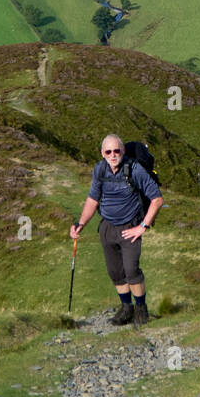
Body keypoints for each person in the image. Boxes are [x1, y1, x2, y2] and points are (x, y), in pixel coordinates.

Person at [70, 133, 163, 326]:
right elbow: (92, 200)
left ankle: (140, 309)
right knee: (115, 273)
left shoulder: (134, 170)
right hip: (107, 227)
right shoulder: (100, 170)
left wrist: (142, 227)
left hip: (130, 226)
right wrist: (81, 224)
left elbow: (157, 199)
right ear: (102, 153)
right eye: (108, 151)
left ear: (123, 151)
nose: (113, 155)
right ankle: (126, 308)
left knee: (131, 270)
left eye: (117, 151)